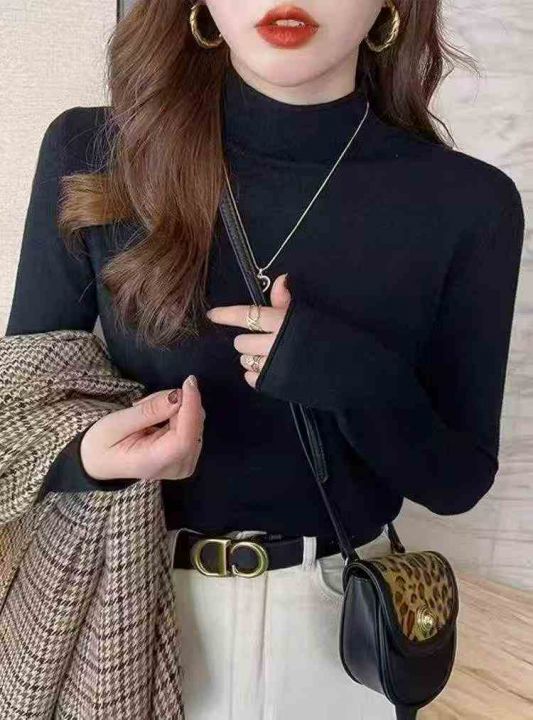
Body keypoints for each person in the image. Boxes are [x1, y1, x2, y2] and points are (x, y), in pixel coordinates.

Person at [5, 1, 524, 718]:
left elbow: (457, 479)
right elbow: (18, 413)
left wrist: (353, 378)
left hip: (341, 638)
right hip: (127, 615)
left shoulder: (468, 203)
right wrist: (94, 457)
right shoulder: (94, 152)